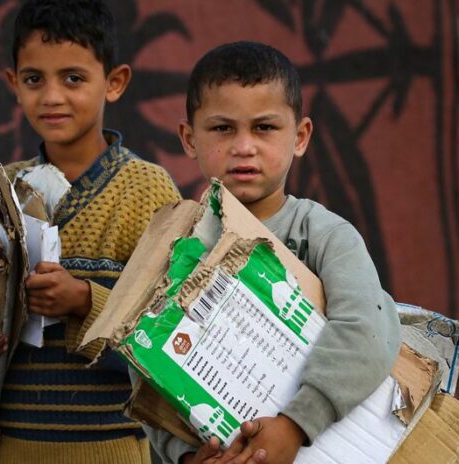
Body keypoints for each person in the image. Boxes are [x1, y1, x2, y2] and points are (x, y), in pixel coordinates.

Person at [0, 1, 181, 462]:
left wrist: (87, 301)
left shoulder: (146, 190)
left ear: (115, 83)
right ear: (14, 84)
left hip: (110, 449)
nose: (51, 97)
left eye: (73, 78)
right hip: (7, 447)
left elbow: (176, 326)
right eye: (34, 79)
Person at [147, 41, 402, 464]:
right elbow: (150, 375)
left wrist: (295, 424)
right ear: (189, 139)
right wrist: (188, 456)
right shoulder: (176, 253)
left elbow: (367, 331)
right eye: (222, 129)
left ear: (300, 137)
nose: (244, 147)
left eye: (264, 127)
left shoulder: (323, 236)